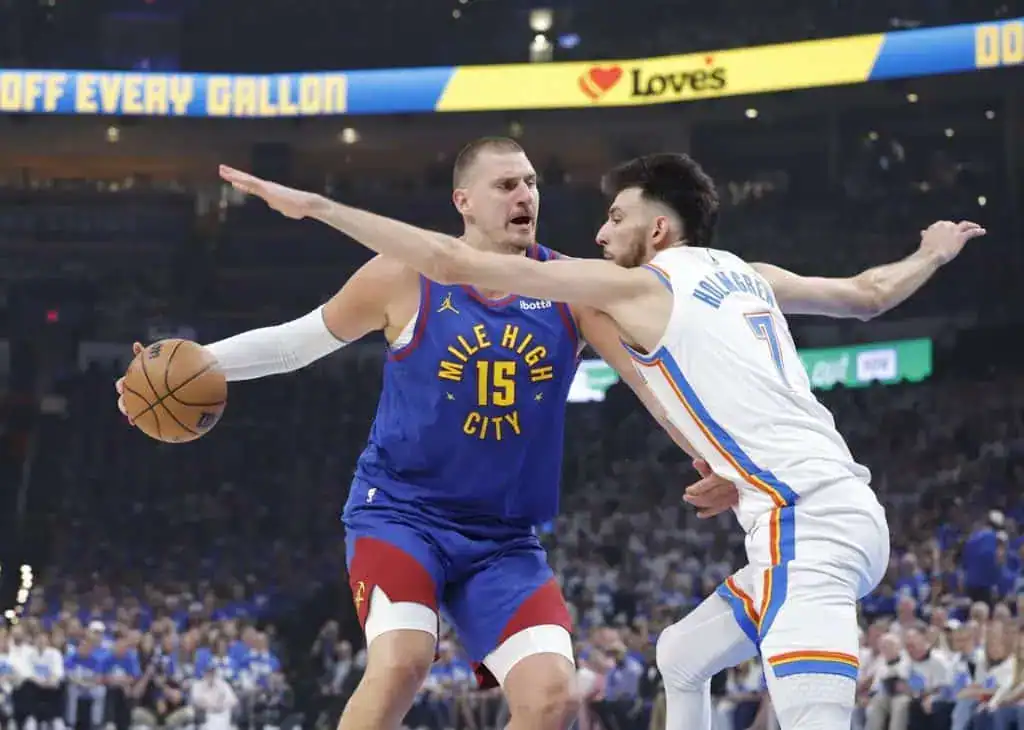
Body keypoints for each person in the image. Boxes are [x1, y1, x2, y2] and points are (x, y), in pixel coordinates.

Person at [216, 152, 985, 729]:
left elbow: (458, 263)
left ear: (656, 227)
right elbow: (865, 295)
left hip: (793, 519)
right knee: (678, 658)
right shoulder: (744, 273)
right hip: (410, 513)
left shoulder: (622, 288)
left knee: (788, 714)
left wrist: (315, 204)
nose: (593, 227)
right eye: (508, 184)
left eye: (613, 217)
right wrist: (936, 252)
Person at [117, 138, 733, 730]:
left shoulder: (572, 290)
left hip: (502, 538)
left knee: (552, 698)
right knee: (404, 662)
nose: (526, 195)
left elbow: (646, 382)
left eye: (532, 182)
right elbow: (295, 344)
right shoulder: (405, 275)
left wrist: (710, 457)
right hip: (402, 516)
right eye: (506, 184)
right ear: (464, 201)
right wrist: (196, 363)